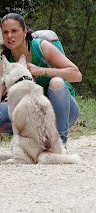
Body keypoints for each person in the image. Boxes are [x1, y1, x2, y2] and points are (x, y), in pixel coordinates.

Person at [0, 13, 82, 145]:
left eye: (14, 31)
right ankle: (28, 145)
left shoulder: (41, 47)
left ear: (25, 31)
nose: (10, 36)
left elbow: (76, 75)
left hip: (62, 112)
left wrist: (42, 71)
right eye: (5, 32)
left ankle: (60, 145)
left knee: (56, 82)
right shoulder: (5, 62)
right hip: (31, 116)